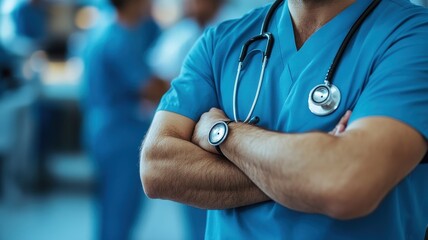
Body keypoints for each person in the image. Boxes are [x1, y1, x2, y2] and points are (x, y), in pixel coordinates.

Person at [140, 0, 428, 239]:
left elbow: (346, 180)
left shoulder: (413, 36)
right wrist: (311, 170)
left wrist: (223, 133)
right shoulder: (220, 43)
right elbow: (156, 167)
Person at [147, 0, 226, 239]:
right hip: (190, 136)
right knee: (197, 208)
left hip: (221, 134)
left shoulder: (235, 27)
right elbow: (159, 80)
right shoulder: (181, 35)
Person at [82, 0, 160, 239]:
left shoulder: (104, 31)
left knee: (109, 206)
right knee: (120, 208)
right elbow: (149, 88)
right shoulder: (120, 40)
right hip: (120, 134)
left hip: (102, 129)